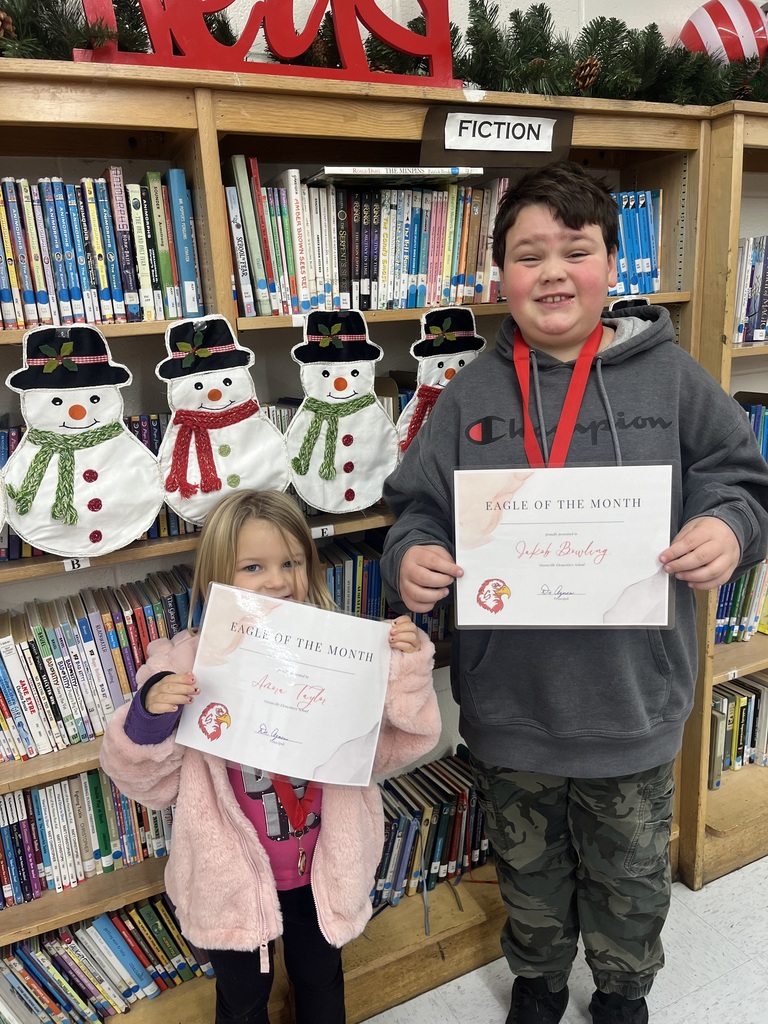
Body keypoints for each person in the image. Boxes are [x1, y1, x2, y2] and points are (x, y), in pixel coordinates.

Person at [379, 160, 768, 1024]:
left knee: (630, 869)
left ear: (612, 266)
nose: (552, 271)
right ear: (499, 277)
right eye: (528, 255)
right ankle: (539, 977)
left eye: (575, 249)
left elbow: (742, 481)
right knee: (528, 863)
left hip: (632, 701)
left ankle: (624, 988)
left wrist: (729, 529)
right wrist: (410, 556)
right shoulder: (468, 393)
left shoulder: (670, 379)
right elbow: (415, 509)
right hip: (512, 702)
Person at [100, 489, 440, 1024]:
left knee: (321, 981)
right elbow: (147, 784)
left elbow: (398, 746)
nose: (278, 580)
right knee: (241, 1001)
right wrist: (151, 715)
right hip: (230, 882)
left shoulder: (341, 651)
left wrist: (403, 668)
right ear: (216, 575)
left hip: (322, 868)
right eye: (253, 566)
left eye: (292, 562)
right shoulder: (185, 661)